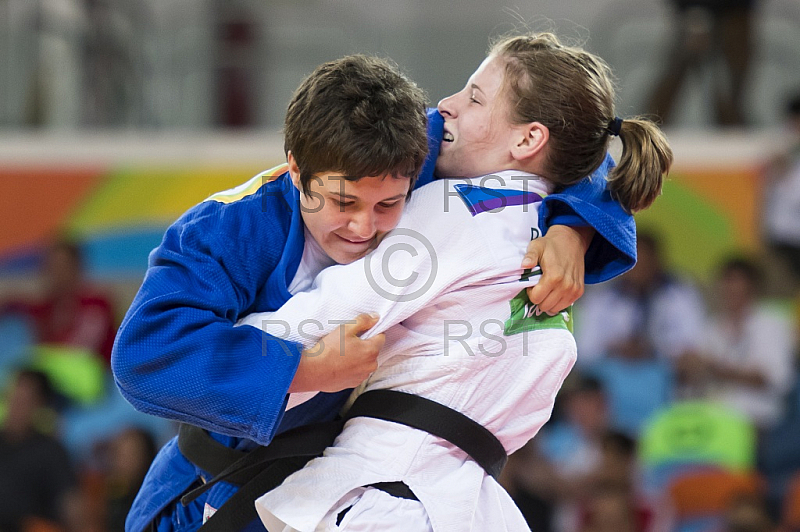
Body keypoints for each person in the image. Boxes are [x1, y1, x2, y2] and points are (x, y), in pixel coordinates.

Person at [113, 53, 640, 531]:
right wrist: (302, 368)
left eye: (389, 205)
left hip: (339, 483)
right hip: (212, 488)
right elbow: (145, 355)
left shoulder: (418, 146)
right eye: (342, 203)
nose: (364, 228)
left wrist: (576, 226)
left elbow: (573, 139)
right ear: (298, 170)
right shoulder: (229, 228)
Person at [243, 32, 672, 530]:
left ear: (528, 138)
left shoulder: (457, 206)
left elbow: (335, 310)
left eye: (473, 97)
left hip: (388, 492)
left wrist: (228, 358)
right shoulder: (545, 222)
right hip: (464, 499)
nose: (446, 105)